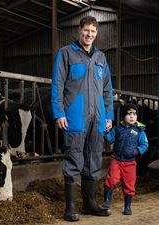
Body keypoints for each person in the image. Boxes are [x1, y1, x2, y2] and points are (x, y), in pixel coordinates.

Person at [51, 15, 114, 222]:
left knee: (94, 158)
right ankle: (70, 207)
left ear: (96, 34)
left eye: (93, 32)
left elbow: (107, 90)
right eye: (86, 30)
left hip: (97, 118)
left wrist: (109, 116)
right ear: (79, 30)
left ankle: (89, 204)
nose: (89, 35)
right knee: (74, 158)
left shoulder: (100, 58)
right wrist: (59, 112)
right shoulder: (66, 53)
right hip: (75, 116)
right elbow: (57, 85)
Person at [102, 103, 149, 215]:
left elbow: (144, 144)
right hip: (116, 160)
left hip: (130, 162)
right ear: (123, 116)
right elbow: (110, 139)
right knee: (111, 179)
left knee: (129, 184)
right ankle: (107, 201)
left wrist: (136, 151)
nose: (132, 116)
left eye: (134, 114)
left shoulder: (139, 131)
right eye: (129, 114)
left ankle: (127, 206)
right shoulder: (118, 128)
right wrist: (106, 131)